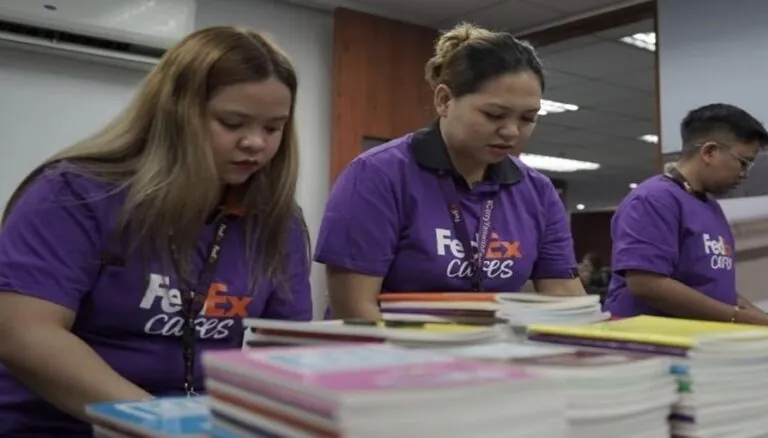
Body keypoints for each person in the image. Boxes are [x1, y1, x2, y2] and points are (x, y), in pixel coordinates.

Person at [0, 27, 313, 436]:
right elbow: (24, 334)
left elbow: (286, 352)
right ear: (174, 114)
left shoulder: (278, 221)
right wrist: (161, 425)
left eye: (273, 128)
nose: (255, 142)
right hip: (61, 425)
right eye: (232, 122)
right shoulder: (72, 194)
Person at [315, 23, 584, 321]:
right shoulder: (377, 175)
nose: (511, 132)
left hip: (488, 356)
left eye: (528, 118)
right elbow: (355, 308)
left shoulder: (537, 191)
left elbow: (564, 296)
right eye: (494, 115)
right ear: (444, 100)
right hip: (388, 356)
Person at [603, 104, 768, 326]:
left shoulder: (709, 206)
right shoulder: (653, 199)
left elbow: (714, 289)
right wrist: (737, 318)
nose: (744, 174)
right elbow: (646, 283)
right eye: (743, 162)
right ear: (709, 152)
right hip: (649, 345)